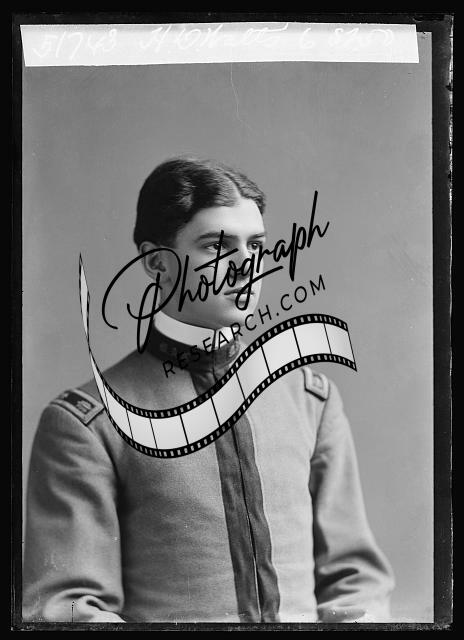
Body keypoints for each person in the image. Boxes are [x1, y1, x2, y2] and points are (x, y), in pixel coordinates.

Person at [23, 157, 394, 623]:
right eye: (217, 246)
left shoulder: (309, 400)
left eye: (255, 245)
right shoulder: (89, 424)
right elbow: (67, 606)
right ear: (156, 262)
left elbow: (357, 578)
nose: (245, 266)